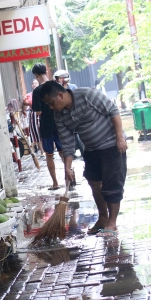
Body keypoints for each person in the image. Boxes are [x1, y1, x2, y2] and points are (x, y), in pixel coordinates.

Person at [39, 81, 127, 237]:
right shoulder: (59, 115)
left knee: (112, 185)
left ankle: (112, 224)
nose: (51, 107)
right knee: (94, 183)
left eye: (51, 103)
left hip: (111, 145)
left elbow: (113, 110)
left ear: (60, 95)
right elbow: (67, 142)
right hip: (91, 149)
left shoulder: (88, 95)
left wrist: (120, 138)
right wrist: (67, 166)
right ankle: (103, 218)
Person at [31, 63, 64, 190]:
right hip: (60, 124)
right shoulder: (56, 85)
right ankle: (69, 177)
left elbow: (38, 112)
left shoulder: (37, 91)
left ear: (36, 75)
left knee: (49, 154)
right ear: (46, 71)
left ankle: (55, 183)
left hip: (46, 126)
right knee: (63, 152)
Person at [25, 79, 43, 156]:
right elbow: (24, 104)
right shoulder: (29, 95)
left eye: (36, 83)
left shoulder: (42, 93)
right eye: (33, 83)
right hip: (33, 115)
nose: (34, 85)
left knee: (43, 132)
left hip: (42, 114)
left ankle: (48, 150)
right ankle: (42, 151)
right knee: (36, 133)